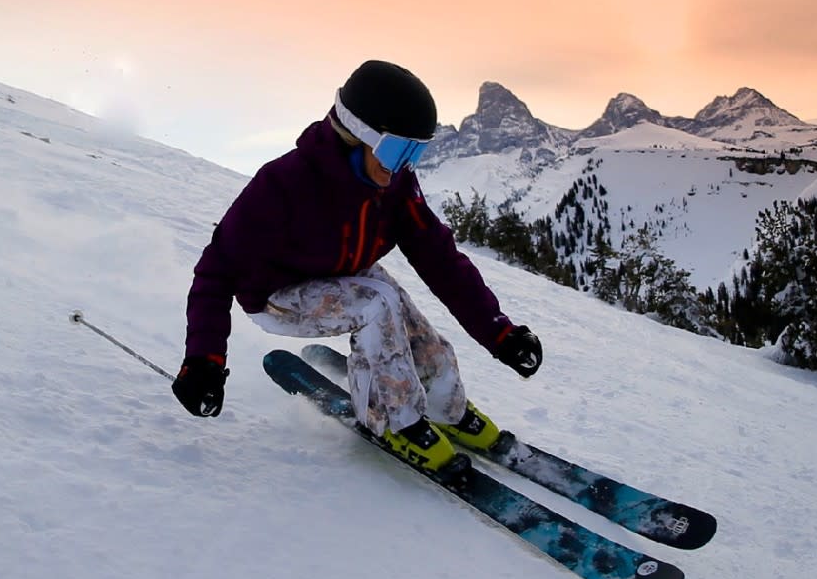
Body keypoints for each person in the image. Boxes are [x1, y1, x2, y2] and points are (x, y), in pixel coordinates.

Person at [172, 60, 542, 473]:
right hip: (276, 294)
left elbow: (440, 258)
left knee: (396, 302)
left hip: (342, 276)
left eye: (415, 152)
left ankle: (446, 406)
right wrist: (204, 360)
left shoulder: (395, 186)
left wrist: (500, 333)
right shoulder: (283, 184)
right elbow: (216, 269)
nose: (401, 165)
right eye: (397, 150)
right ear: (356, 136)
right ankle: (392, 420)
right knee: (376, 304)